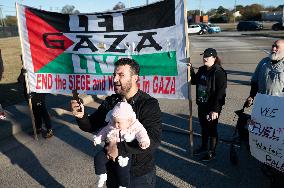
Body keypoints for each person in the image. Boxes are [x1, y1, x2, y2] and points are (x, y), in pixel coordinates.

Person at [71, 58, 162, 188]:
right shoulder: (111, 101)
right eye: (114, 75)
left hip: (139, 175)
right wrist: (81, 116)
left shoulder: (148, 104)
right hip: (113, 171)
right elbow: (92, 125)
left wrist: (119, 148)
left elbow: (154, 140)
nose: (114, 79)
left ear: (135, 78)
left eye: (121, 75)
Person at [244, 40, 284, 187]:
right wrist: (251, 96)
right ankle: (266, 162)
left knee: (278, 139)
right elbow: (254, 81)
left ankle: (277, 170)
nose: (273, 48)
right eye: (273, 45)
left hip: (280, 111)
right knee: (263, 135)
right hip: (262, 108)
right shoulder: (263, 62)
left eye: (277, 46)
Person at [93, 101, 150, 188]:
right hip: (109, 148)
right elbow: (104, 131)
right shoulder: (112, 124)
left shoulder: (134, 125)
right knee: (98, 158)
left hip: (124, 151)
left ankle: (123, 185)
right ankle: (102, 174)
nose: (116, 124)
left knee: (122, 170)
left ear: (129, 120)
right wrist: (98, 138)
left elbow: (141, 132)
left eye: (119, 122)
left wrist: (143, 141)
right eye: (115, 121)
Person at [190, 48, 227, 161]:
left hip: (212, 107)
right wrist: (190, 68)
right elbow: (193, 81)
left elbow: (221, 93)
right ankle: (204, 147)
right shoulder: (202, 70)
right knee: (204, 127)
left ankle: (212, 152)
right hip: (202, 104)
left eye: (208, 56)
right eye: (204, 56)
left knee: (212, 129)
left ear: (214, 58)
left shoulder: (219, 72)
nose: (205, 58)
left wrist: (215, 109)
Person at [17, 68, 54, 138]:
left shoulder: (39, 67)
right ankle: (38, 128)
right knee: (35, 113)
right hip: (29, 96)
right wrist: (22, 73)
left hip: (38, 95)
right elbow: (20, 80)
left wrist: (34, 93)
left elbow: (44, 83)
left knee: (43, 112)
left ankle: (49, 129)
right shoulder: (26, 66)